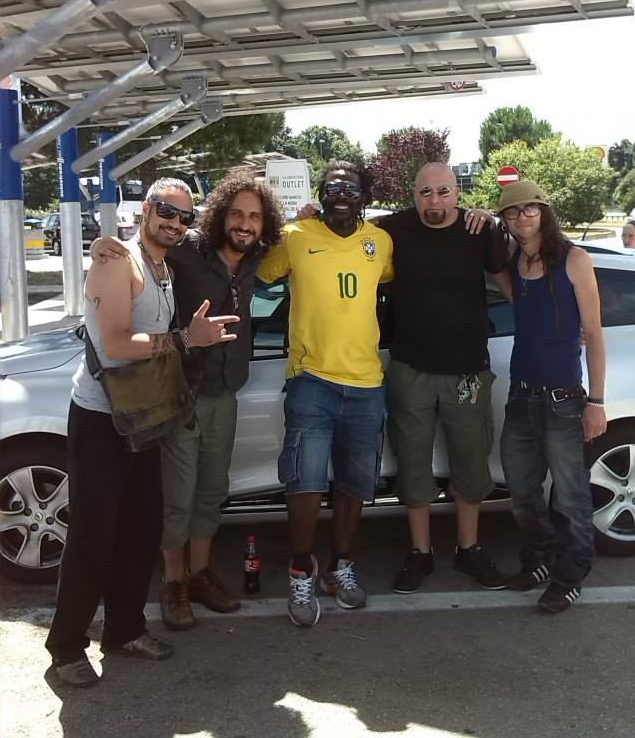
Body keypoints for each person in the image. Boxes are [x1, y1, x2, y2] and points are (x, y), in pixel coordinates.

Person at [46, 178, 238, 687]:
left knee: (139, 532)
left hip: (145, 418)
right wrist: (184, 338)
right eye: (165, 211)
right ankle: (65, 647)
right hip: (101, 419)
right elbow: (113, 345)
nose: (174, 223)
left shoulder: (165, 266)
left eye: (184, 217)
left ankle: (125, 630)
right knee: (92, 536)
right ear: (146, 209)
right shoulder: (117, 261)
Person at [91, 171, 284, 631]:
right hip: (182, 393)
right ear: (220, 215)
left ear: (264, 224)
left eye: (254, 217)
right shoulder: (189, 249)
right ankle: (173, 582)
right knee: (177, 497)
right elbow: (143, 248)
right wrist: (103, 245)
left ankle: (200, 574)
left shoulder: (257, 257)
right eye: (236, 213)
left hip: (227, 392)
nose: (244, 223)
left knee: (213, 492)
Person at [256, 160, 393, 627]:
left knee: (356, 483)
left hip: (367, 383)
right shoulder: (296, 236)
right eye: (332, 188)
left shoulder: (380, 242)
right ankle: (301, 568)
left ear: (363, 197)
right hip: (311, 379)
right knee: (305, 481)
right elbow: (256, 273)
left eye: (350, 189)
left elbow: (395, 276)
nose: (341, 196)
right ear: (320, 193)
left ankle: (341, 565)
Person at [375, 163, 509, 594]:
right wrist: (309, 214)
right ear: (413, 193)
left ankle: (469, 548)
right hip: (410, 368)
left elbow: (512, 282)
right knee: (412, 463)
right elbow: (345, 231)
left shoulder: (478, 230)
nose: (435, 200)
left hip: (468, 370)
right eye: (426, 192)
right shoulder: (393, 229)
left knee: (470, 461)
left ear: (458, 192)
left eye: (444, 191)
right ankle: (420, 552)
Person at [495, 180, 607, 614]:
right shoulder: (513, 258)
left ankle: (571, 574)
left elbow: (594, 332)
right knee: (521, 490)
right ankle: (539, 558)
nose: (521, 217)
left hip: (564, 401)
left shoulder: (574, 260)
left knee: (571, 497)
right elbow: (518, 299)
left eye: (529, 209)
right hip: (521, 399)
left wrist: (596, 402)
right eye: (512, 211)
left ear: (543, 211)